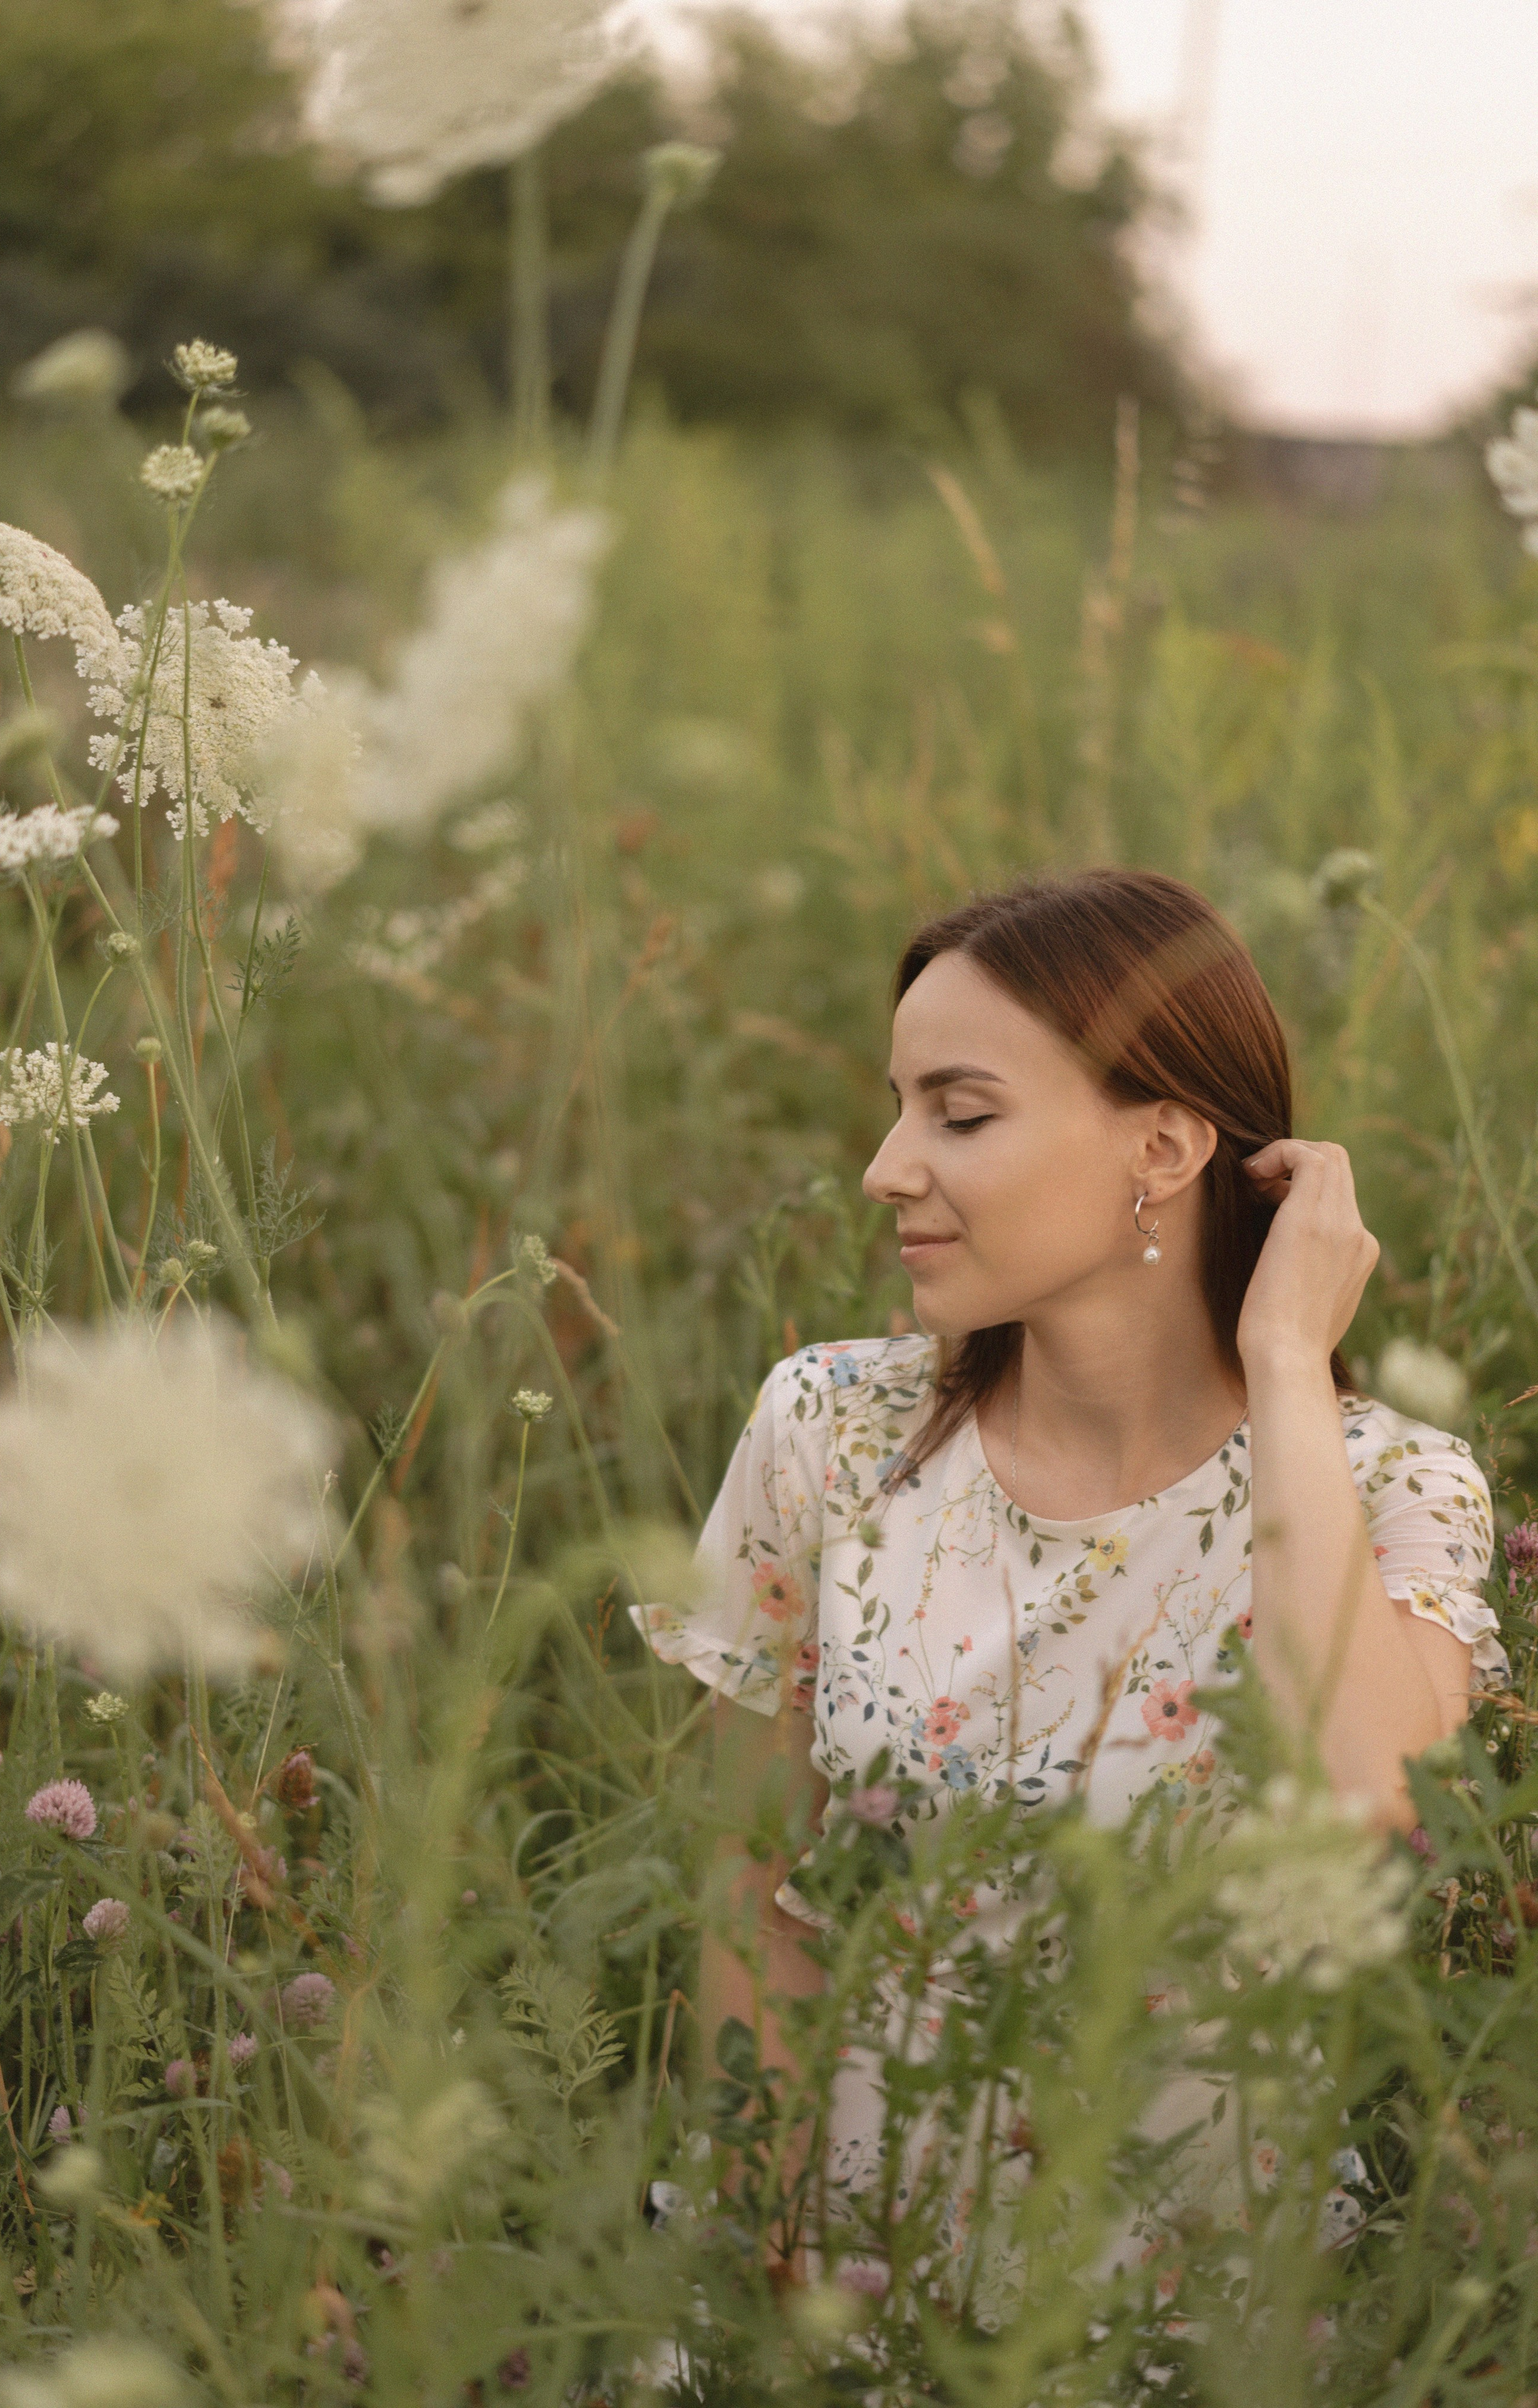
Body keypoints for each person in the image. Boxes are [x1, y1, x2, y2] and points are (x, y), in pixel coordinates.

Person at [632, 868, 1505, 2288]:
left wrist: (1285, 1364)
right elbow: (748, 1866)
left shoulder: (1393, 1485)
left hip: (1195, 2310)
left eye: (958, 1113)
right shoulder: (832, 1433)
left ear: (1160, 1146)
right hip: (836, 2271)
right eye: (899, 1104)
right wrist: (767, 2246)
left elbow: (1365, 1804)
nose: (884, 1164)